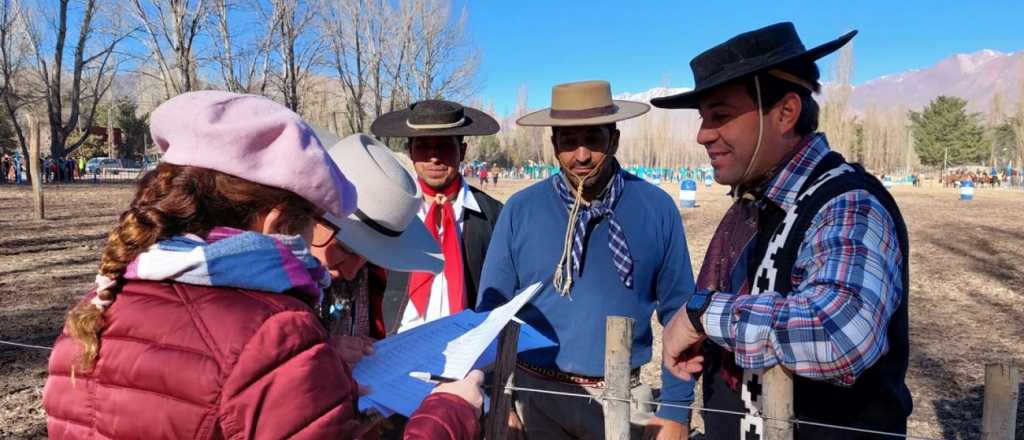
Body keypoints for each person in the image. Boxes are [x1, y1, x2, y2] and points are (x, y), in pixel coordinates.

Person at [43, 91, 484, 439]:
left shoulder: (93, 311)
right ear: (275, 221)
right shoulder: (272, 334)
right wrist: (449, 414)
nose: (347, 269)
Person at [652, 22, 912, 440]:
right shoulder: (754, 204)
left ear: (786, 112)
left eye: (720, 116)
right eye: (703, 119)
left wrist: (702, 313)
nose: (702, 135)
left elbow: (840, 333)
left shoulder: (846, 203)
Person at [478, 80, 696, 439]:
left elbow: (680, 311)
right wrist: (498, 399)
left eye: (593, 139)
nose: (581, 155)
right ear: (553, 146)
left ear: (614, 139)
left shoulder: (656, 208)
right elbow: (493, 311)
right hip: (536, 398)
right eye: (568, 141)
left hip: (626, 398)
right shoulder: (521, 210)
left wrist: (675, 409)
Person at [309, 132, 446, 361]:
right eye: (344, 249)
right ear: (309, 217)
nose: (352, 271)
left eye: (367, 258)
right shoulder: (254, 286)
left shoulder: (361, 278)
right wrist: (318, 354)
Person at [370, 100, 503, 334]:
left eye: (444, 146)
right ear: (410, 151)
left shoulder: (493, 216)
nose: (434, 157)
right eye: (423, 146)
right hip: (398, 348)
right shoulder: (388, 212)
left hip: (467, 351)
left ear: (462, 151)